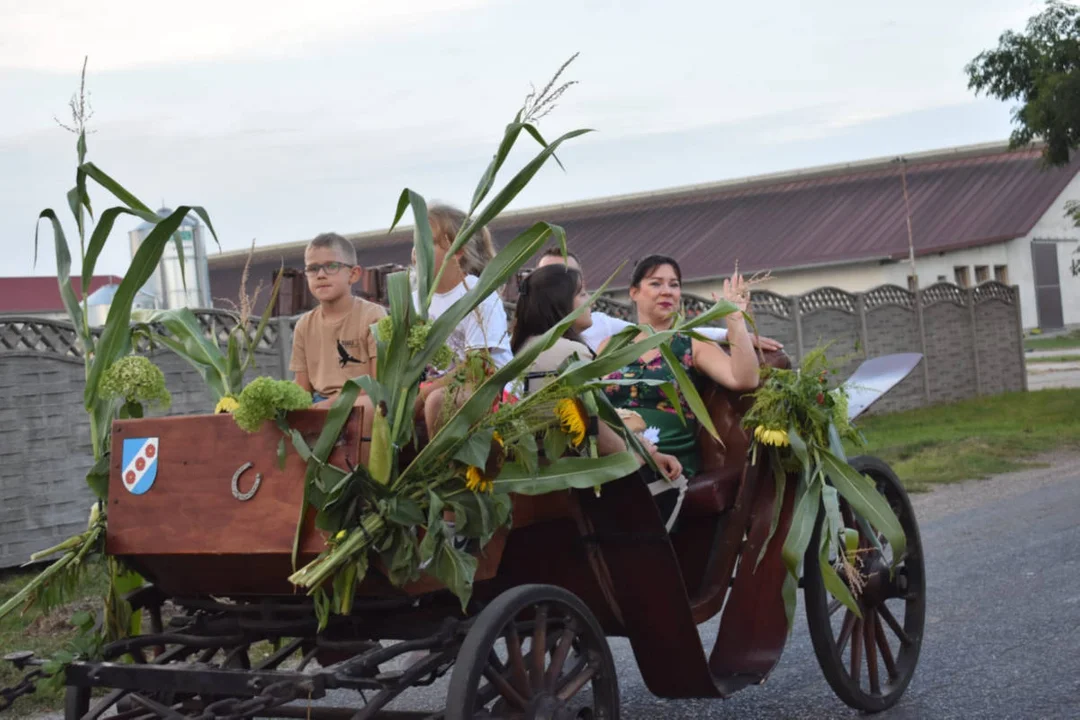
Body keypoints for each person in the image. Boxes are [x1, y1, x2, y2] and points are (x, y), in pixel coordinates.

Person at [510, 264, 684, 503]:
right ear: (560, 303)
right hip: (574, 480)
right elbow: (599, 436)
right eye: (581, 293)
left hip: (536, 474)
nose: (590, 300)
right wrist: (639, 454)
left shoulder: (522, 348)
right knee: (673, 488)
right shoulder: (570, 354)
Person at [601, 255, 760, 484]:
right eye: (656, 283)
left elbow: (744, 379)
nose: (667, 291)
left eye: (674, 285)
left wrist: (735, 319)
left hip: (669, 465)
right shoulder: (611, 346)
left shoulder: (691, 343)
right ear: (634, 292)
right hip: (617, 457)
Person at [535, 247, 783, 353]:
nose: (560, 285)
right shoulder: (527, 339)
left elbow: (656, 335)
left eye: (569, 278)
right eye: (551, 278)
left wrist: (730, 334)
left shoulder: (602, 327)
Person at [413, 204, 513, 435]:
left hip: (489, 390)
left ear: (457, 250)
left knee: (438, 401)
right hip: (436, 385)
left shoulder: (479, 297)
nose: (416, 250)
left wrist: (424, 393)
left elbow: (478, 369)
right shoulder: (416, 299)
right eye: (415, 242)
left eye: (427, 242)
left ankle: (440, 468)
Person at [290, 232, 386, 407]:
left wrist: (334, 404)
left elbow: (378, 382)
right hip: (318, 402)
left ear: (354, 274)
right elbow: (302, 389)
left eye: (331, 266)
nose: (320, 275)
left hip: (360, 399)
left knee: (369, 406)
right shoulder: (304, 325)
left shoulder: (373, 316)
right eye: (312, 268)